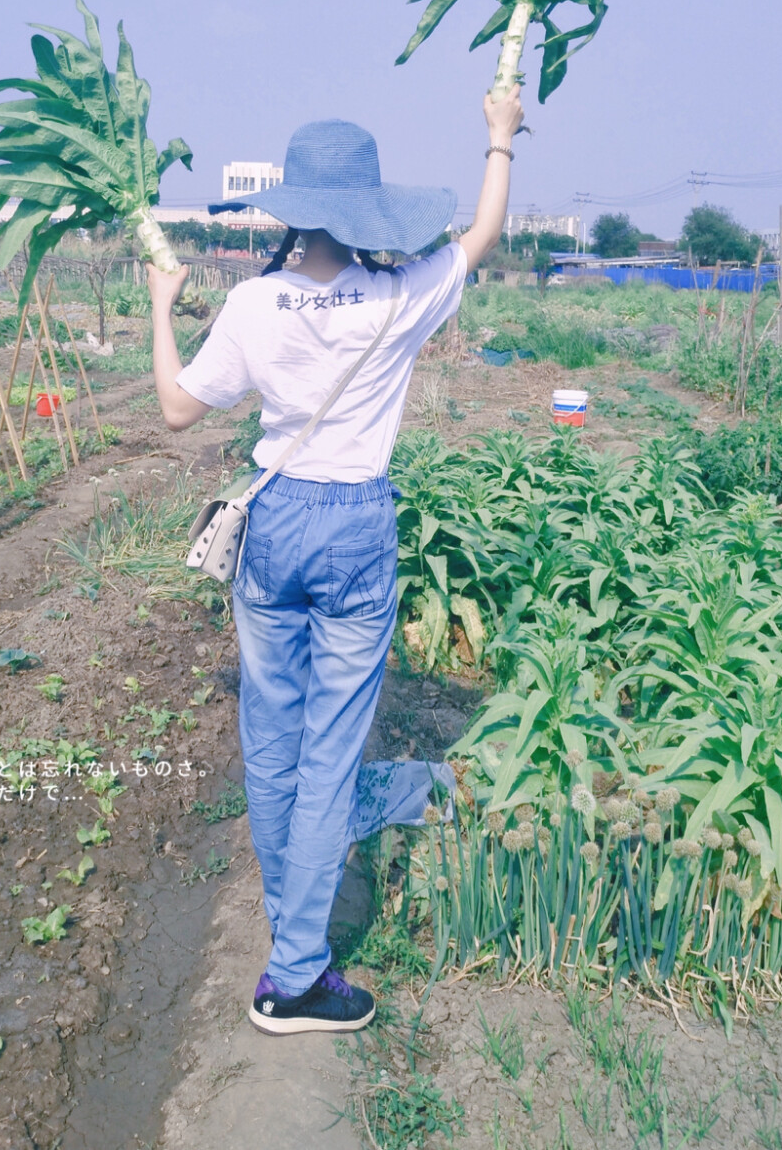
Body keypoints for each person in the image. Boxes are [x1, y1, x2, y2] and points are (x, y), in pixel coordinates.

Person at [147, 83, 524, 1036]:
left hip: (275, 523)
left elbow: (179, 410)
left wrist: (161, 306)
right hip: (356, 524)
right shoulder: (398, 295)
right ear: (364, 212)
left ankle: (291, 930)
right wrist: (498, 138)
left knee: (273, 740)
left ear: (293, 207)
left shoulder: (251, 301)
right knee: (331, 753)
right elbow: (478, 236)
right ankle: (296, 976)